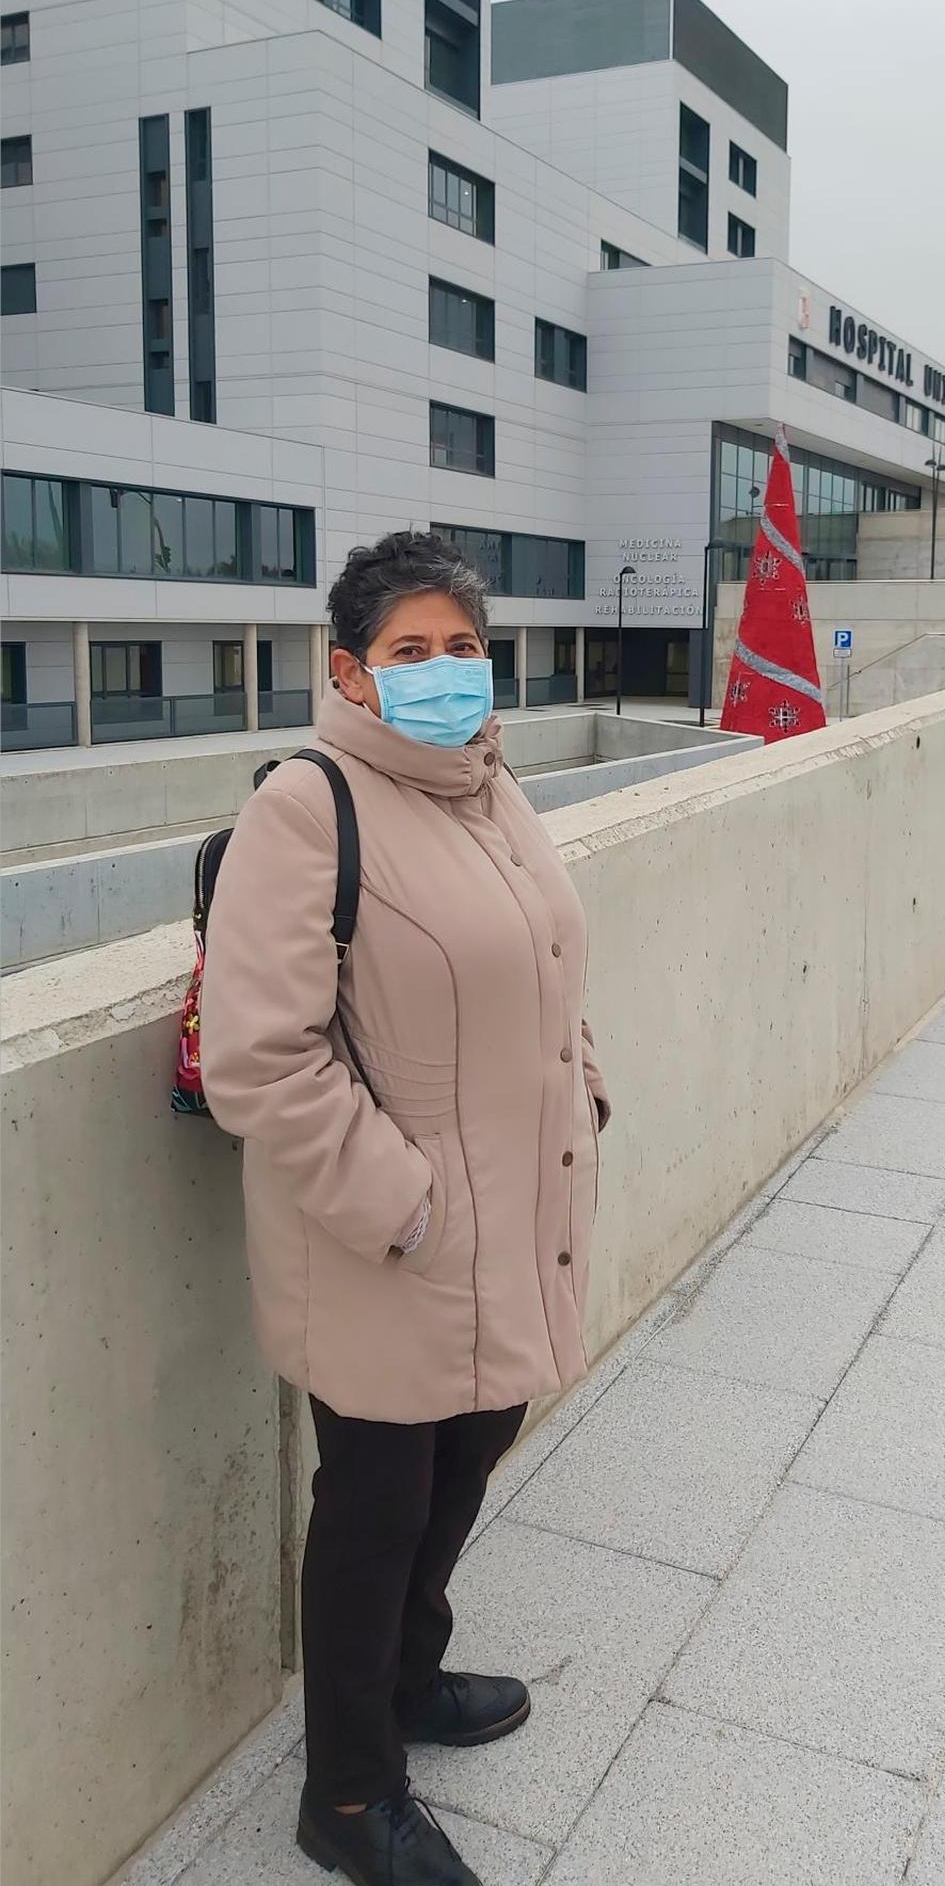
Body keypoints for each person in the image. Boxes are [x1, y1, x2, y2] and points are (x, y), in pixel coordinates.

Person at [200, 531, 609, 1886]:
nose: (444, 673)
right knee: (377, 1500)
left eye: (465, 647)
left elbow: (548, 966)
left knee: (472, 1449)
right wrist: (403, 1199)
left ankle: (407, 1676)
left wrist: (584, 1088)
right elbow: (264, 1050)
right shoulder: (311, 806)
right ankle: (349, 1790)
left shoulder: (495, 790)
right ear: (351, 672)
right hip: (389, 1241)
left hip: (515, 1218)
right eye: (410, 651)